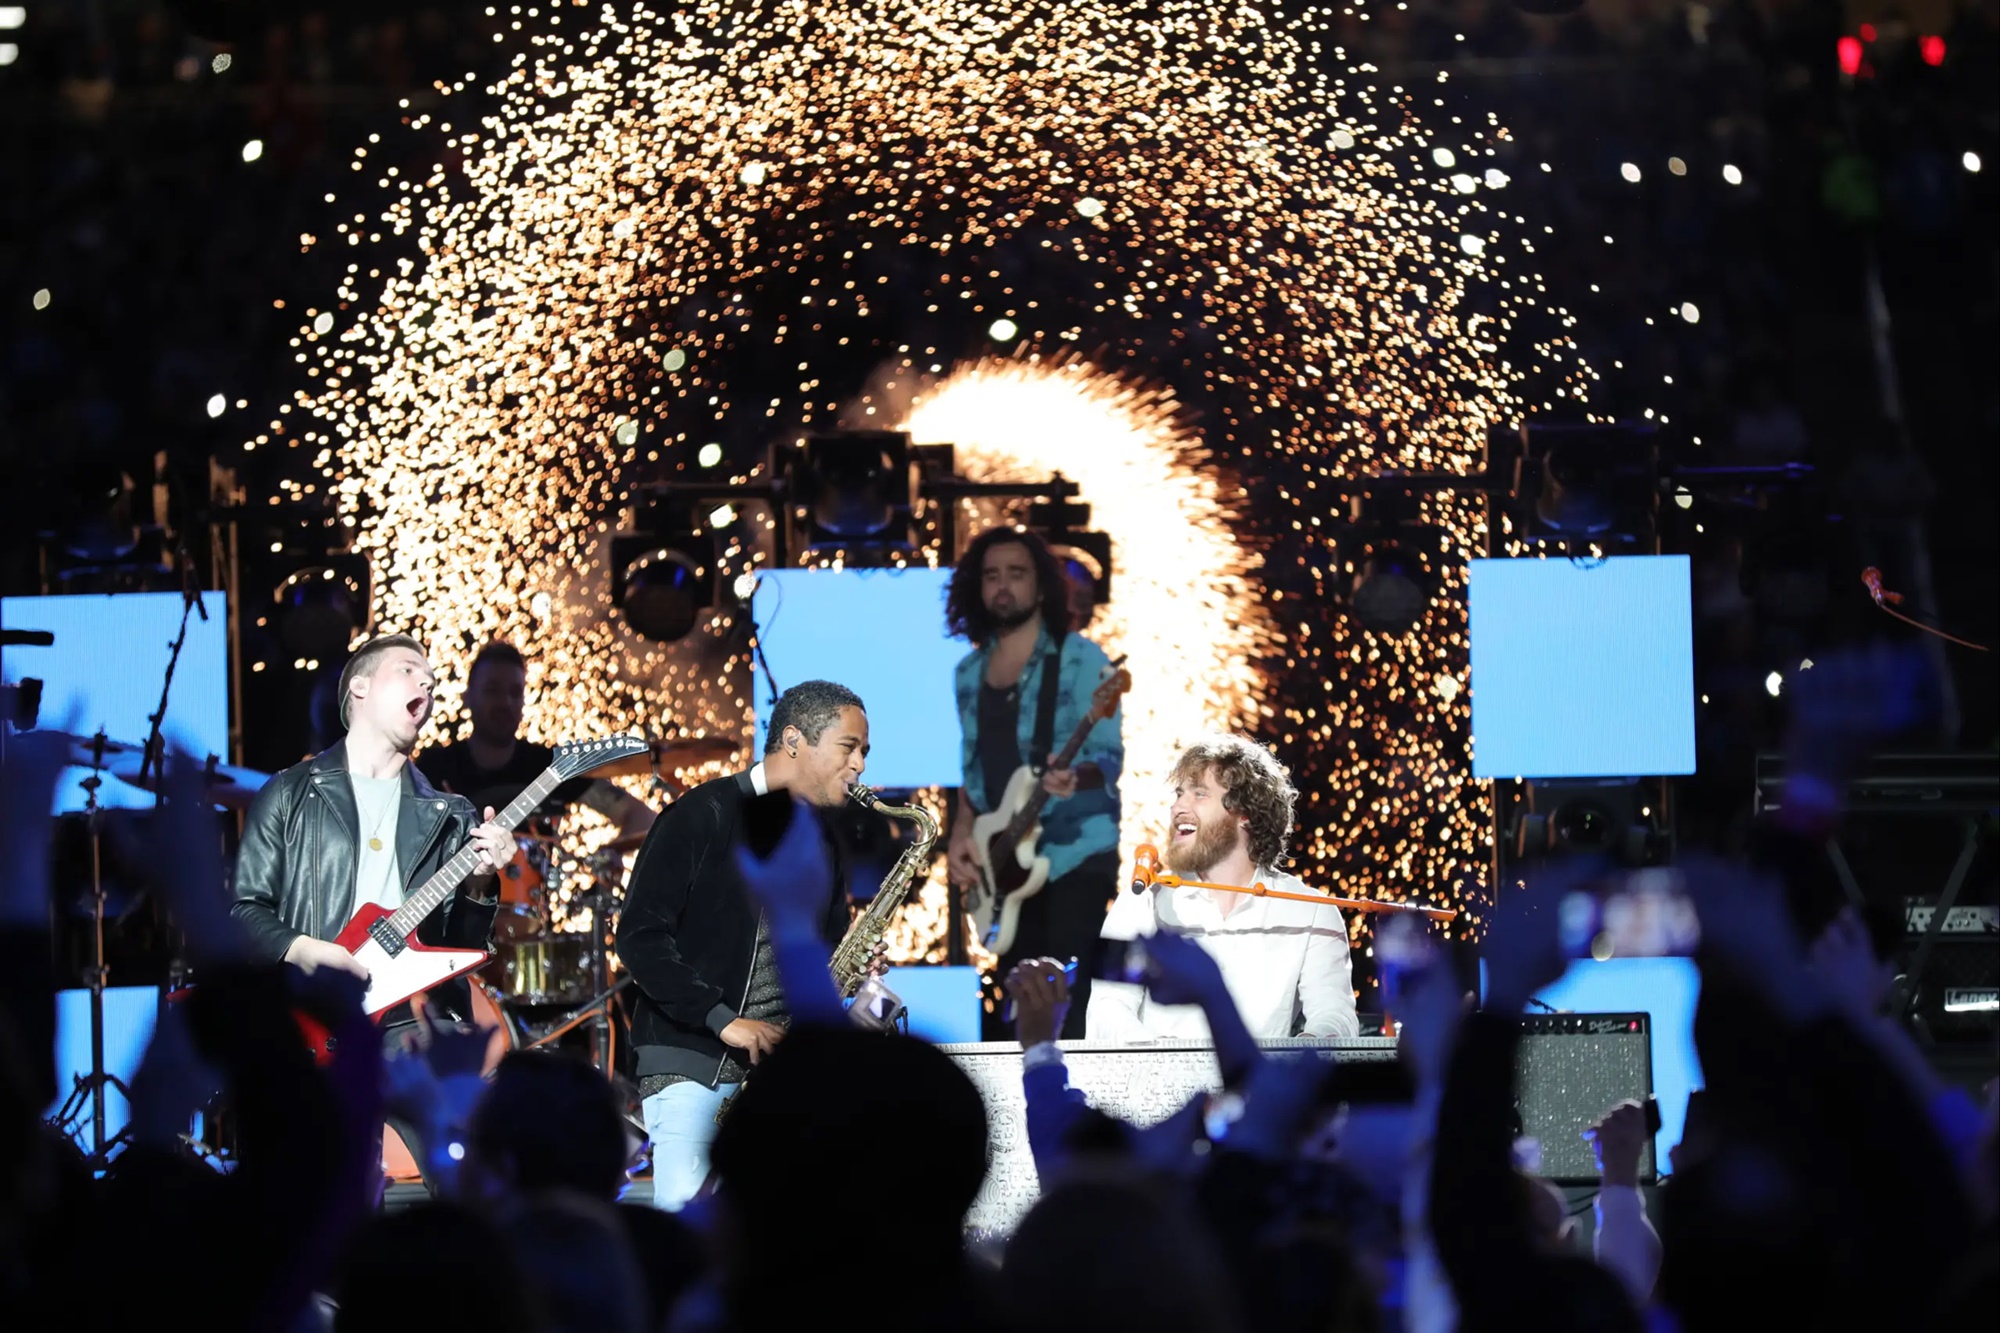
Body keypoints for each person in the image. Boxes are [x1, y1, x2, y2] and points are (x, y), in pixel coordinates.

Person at [228, 632, 514, 1186]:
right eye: (409, 669)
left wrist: (482, 877)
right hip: (314, 1011)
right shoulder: (289, 793)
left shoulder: (450, 813)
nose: (427, 682)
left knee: (469, 1175)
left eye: (430, 677)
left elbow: (465, 940)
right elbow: (244, 911)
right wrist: (313, 951)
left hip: (413, 1014)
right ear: (359, 687)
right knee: (334, 1199)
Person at [614, 679, 867, 1211]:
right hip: (693, 1061)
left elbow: (820, 952)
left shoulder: (822, 840)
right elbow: (638, 936)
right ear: (795, 740)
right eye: (849, 748)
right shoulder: (701, 814)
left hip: (778, 1075)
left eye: (864, 752)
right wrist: (722, 1018)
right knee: (691, 1237)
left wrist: (850, 968)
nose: (860, 765)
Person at [944, 526, 1124, 1040]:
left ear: (1041, 586)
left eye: (1016, 574)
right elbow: (972, 772)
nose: (1003, 586)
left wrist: (1076, 776)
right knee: (1018, 1005)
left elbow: (1109, 760)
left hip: (1073, 854)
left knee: (1069, 1003)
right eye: (992, 575)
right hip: (1003, 862)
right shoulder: (967, 672)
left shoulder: (1083, 660)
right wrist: (961, 833)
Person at [1088, 735, 1358, 1042]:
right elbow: (1106, 1009)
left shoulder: (1312, 910)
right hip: (1158, 1086)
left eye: (1199, 794)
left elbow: (1336, 1015)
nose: (1178, 807)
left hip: (1258, 1088)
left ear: (1246, 814)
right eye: (1179, 794)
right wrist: (1160, 1059)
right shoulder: (1141, 901)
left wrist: (1300, 1055)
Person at [419, 640, 656, 845]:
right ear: (467, 697)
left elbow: (640, 816)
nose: (505, 702)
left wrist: (606, 857)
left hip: (534, 896)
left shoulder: (550, 766)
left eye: (515, 693)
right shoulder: (433, 766)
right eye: (492, 691)